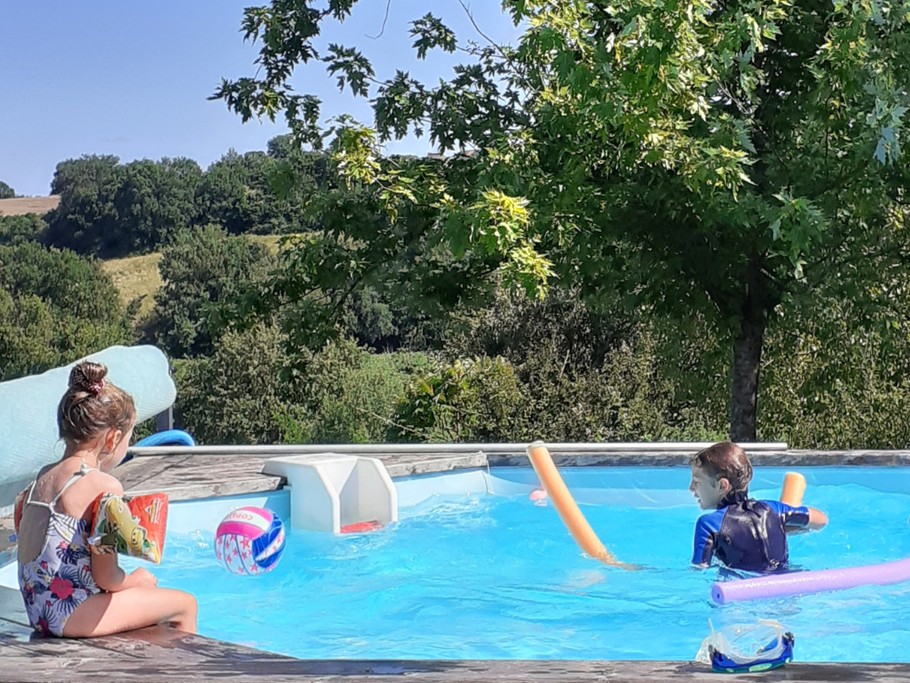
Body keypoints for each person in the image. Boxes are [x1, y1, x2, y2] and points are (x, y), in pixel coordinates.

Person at [15, 361, 197, 637]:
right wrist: (137, 580)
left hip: (37, 610)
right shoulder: (103, 486)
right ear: (112, 439)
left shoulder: (42, 478)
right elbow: (107, 577)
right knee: (185, 604)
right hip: (71, 614)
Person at [689, 441, 827, 573]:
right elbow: (821, 520)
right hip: (787, 585)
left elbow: (699, 572)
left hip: (743, 591)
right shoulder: (774, 510)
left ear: (722, 486)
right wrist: (780, 528)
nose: (691, 488)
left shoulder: (708, 524)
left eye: (697, 482)